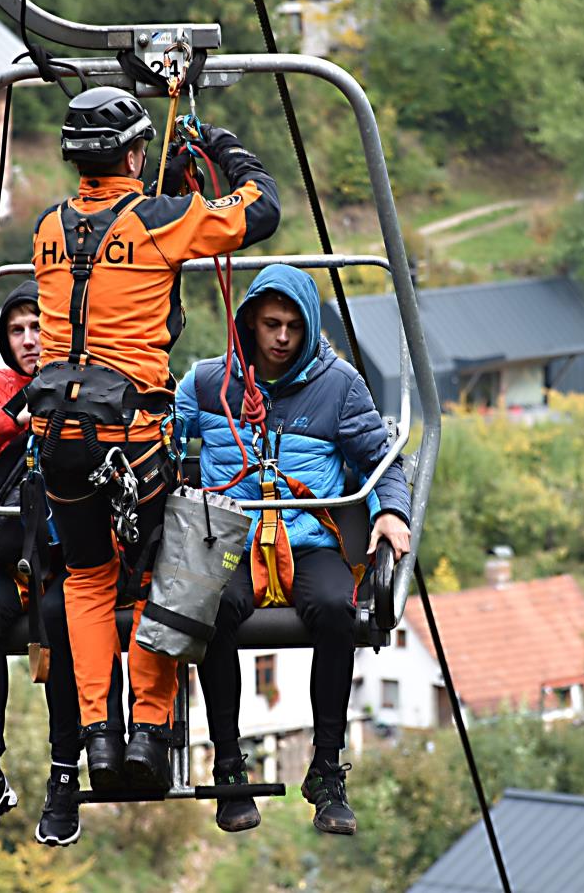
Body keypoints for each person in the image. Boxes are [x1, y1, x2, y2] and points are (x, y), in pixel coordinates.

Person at [28, 86, 280, 793]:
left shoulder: (47, 228)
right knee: (149, 578)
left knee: (86, 577)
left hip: (57, 436)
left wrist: (157, 185)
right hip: (131, 436)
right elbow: (259, 207)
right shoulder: (161, 221)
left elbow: (112, 240)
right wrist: (221, 146)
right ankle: (147, 728)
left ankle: (97, 738)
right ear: (134, 151)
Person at [175, 265, 411, 836]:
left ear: (308, 329)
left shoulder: (340, 386)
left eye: (293, 327)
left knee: (336, 608)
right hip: (231, 538)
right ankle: (229, 764)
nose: (281, 338)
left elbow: (380, 461)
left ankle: (327, 769)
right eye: (271, 325)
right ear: (250, 323)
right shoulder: (209, 383)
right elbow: (160, 440)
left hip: (306, 540)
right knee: (211, 607)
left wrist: (390, 512)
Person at [0, 282, 116, 847]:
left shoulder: (91, 380)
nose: (30, 339)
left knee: (60, 623)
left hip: (74, 557)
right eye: (17, 330)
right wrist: (15, 412)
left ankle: (64, 774)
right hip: (14, 556)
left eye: (39, 326)